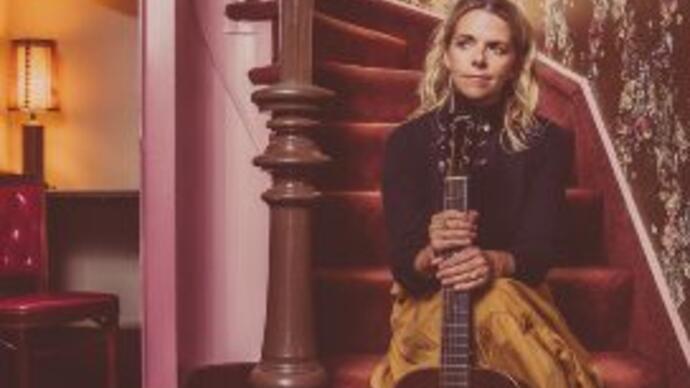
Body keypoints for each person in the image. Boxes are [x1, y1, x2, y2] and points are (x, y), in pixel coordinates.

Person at [369, 0, 602, 387]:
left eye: (496, 48)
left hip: (513, 296)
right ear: (446, 53)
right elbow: (403, 260)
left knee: (496, 310)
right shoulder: (406, 142)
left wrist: (492, 262)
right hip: (432, 294)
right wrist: (430, 251)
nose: (478, 59)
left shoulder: (546, 142)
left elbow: (540, 250)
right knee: (445, 328)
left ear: (515, 63)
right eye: (466, 43)